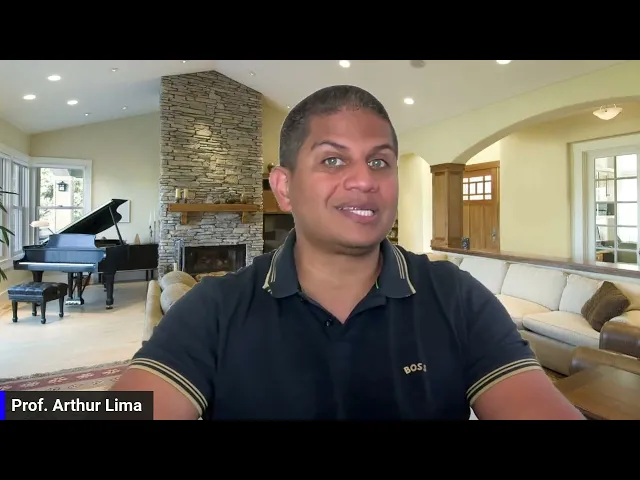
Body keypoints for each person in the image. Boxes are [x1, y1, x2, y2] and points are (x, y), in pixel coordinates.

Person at [111, 84, 584, 420]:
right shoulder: (214, 308)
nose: (364, 180)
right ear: (284, 187)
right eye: (333, 159)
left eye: (379, 161)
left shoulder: (457, 297)